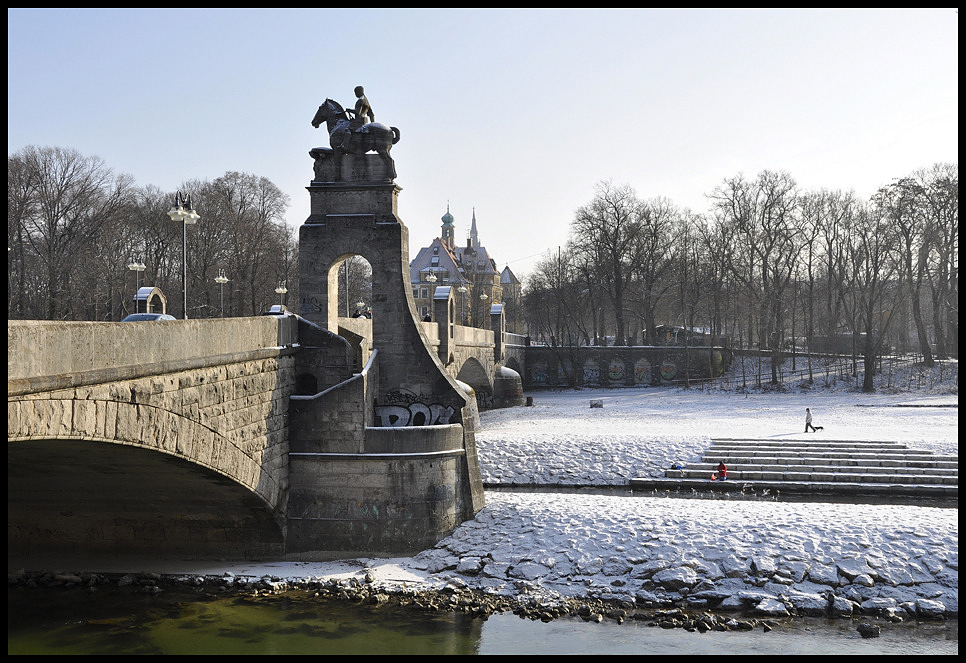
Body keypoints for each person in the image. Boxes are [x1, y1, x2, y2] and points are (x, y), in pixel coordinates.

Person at [339, 85, 375, 152]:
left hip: (358, 121)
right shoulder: (366, 101)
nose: (355, 94)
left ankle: (345, 145)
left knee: (347, 129)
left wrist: (349, 110)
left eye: (355, 92)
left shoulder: (361, 100)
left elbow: (357, 112)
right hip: (364, 121)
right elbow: (371, 114)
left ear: (359, 91)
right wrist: (373, 124)